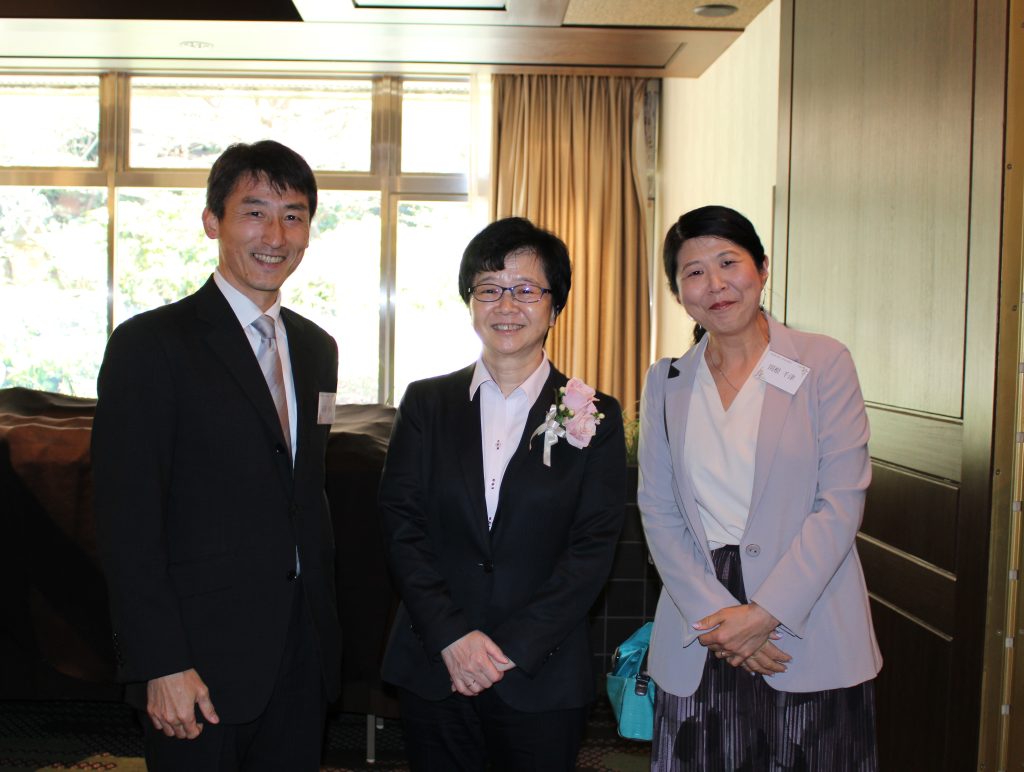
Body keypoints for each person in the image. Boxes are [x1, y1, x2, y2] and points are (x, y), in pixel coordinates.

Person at [92, 140, 342, 771]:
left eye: (293, 216)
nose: (275, 235)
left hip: (300, 655)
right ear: (213, 221)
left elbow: (303, 494)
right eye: (254, 212)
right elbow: (126, 523)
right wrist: (160, 662)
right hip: (196, 664)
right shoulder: (150, 345)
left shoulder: (318, 349)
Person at [637, 205, 882, 770]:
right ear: (678, 292)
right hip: (702, 622)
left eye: (729, 263)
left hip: (807, 618)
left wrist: (765, 613)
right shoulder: (667, 382)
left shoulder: (823, 362)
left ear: (763, 268)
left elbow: (840, 501)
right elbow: (658, 509)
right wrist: (721, 621)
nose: (715, 284)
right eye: (694, 272)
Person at [378, 216, 626, 771]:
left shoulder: (597, 416)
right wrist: (453, 636)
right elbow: (401, 527)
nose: (506, 305)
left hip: (541, 671)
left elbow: (591, 550)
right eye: (489, 289)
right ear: (470, 304)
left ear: (555, 307)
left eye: (526, 290)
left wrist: (512, 647)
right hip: (436, 663)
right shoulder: (426, 404)